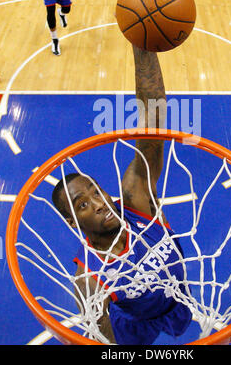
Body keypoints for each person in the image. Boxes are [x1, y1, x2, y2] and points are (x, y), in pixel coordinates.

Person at [52, 45, 192, 345]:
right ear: (73, 223)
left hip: (177, 297)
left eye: (96, 191)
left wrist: (143, 44)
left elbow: (154, 117)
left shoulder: (137, 200)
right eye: (83, 204)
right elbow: (101, 333)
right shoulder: (88, 276)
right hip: (134, 325)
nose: (100, 203)